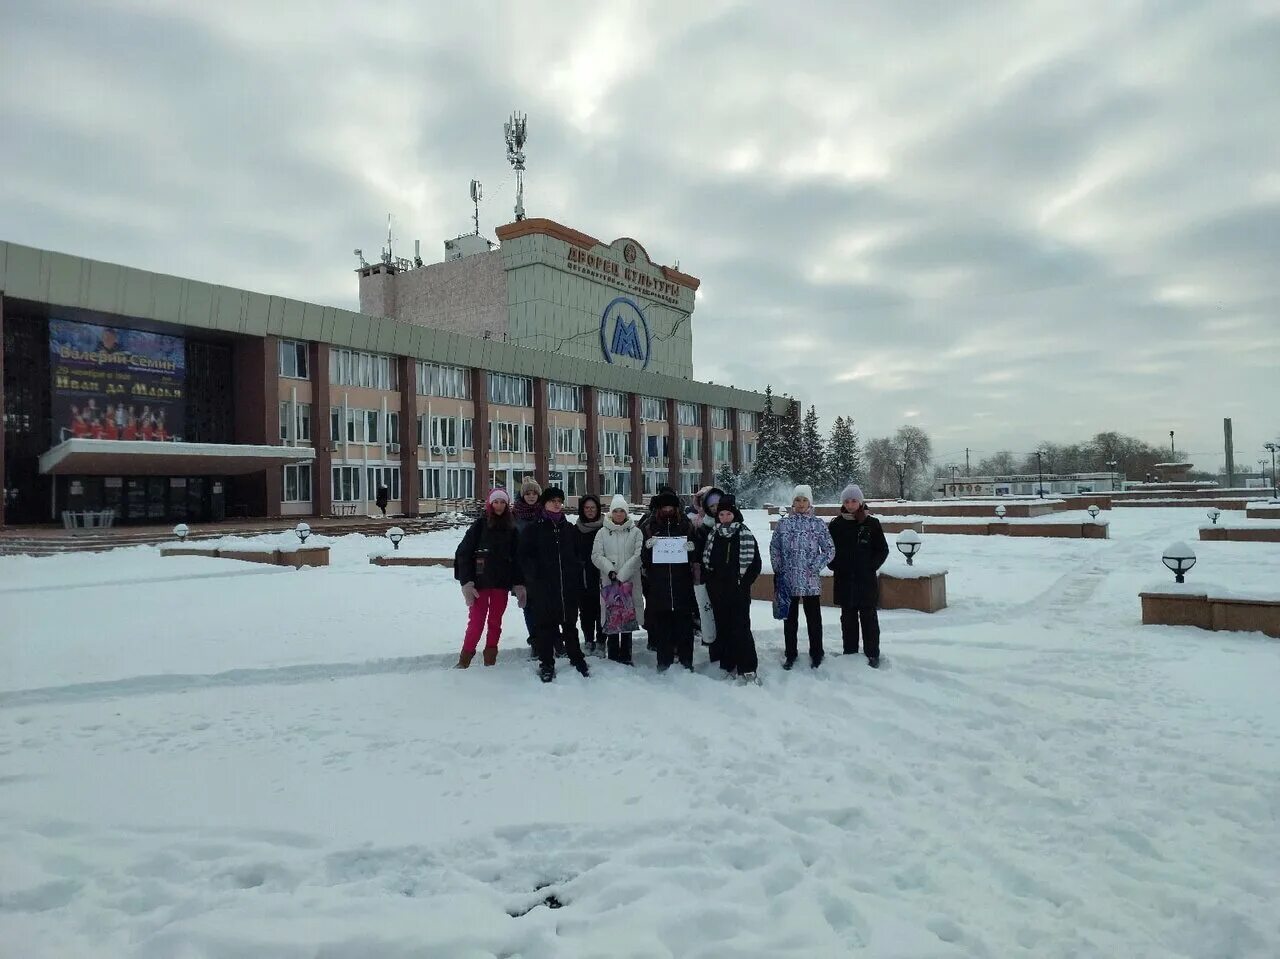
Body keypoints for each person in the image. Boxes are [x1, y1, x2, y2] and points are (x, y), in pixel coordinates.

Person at [518, 486, 590, 682]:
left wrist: (575, 574)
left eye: (559, 501)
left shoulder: (569, 529)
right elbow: (524, 557)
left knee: (570, 625)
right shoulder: (534, 529)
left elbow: (578, 555)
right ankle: (547, 663)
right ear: (545, 503)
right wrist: (534, 578)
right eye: (552, 501)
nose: (557, 504)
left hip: (567, 587)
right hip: (543, 588)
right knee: (545, 628)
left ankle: (577, 658)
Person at [453, 488, 525, 668]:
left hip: (501, 584)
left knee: (495, 622)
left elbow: (518, 559)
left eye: (502, 502)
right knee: (476, 622)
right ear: (490, 504)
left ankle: (490, 660)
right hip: (480, 584)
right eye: (496, 502)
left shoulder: (512, 528)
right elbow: (463, 553)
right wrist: (466, 582)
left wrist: (519, 583)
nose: (499, 506)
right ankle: (464, 661)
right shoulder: (480, 525)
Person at [771, 484, 836, 670]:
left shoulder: (817, 524)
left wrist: (815, 566)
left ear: (810, 502)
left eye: (804, 500)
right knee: (790, 620)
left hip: (810, 581)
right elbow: (774, 547)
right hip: (788, 579)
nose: (800, 504)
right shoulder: (784, 524)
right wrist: (779, 567)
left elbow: (830, 549)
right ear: (793, 502)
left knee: (813, 619)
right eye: (797, 500)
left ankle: (817, 653)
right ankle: (790, 654)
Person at [828, 484, 890, 668]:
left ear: (860, 502)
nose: (850, 504)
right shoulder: (836, 524)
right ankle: (850, 652)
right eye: (847, 501)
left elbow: (882, 549)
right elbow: (829, 549)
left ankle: (872, 654)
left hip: (865, 581)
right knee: (848, 619)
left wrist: (870, 566)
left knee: (869, 618)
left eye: (854, 500)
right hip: (844, 579)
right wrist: (834, 565)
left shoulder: (871, 523)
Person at [701, 493, 762, 682]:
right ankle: (727, 663)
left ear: (734, 514)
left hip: (738, 590)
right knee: (723, 628)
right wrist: (712, 583)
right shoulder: (714, 535)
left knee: (741, 627)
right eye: (721, 515)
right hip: (718, 591)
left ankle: (747, 666)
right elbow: (707, 563)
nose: (724, 518)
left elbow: (755, 564)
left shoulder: (744, 534)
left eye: (728, 514)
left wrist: (743, 583)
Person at [640, 487, 697, 671]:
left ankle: (686, 661)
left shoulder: (686, 525)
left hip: (682, 584)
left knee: (685, 626)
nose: (667, 510)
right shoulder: (650, 526)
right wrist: (648, 548)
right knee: (662, 626)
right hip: (660, 585)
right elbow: (643, 558)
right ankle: (663, 662)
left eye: (670, 507)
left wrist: (691, 549)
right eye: (663, 507)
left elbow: (696, 553)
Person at [592, 494, 645, 664]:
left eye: (622, 510)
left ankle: (626, 655)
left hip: (630, 582)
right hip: (610, 583)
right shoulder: (602, 532)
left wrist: (622, 574)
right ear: (611, 513)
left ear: (626, 512)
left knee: (628, 618)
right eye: (616, 511)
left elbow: (639, 555)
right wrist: (610, 571)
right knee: (613, 617)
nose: (619, 514)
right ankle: (613, 656)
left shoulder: (636, 532)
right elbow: (596, 555)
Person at [690, 486, 725, 658]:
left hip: (729, 583)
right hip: (709, 580)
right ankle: (714, 654)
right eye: (711, 505)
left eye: (718, 504)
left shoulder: (735, 526)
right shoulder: (702, 529)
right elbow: (696, 556)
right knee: (710, 616)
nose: (716, 508)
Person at [512, 477, 543, 656]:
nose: (531, 496)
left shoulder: (544, 513)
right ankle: (535, 642)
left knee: (546, 607)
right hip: (523, 570)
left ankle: (552, 640)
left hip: (544, 570)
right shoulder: (515, 516)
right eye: (528, 493)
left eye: (534, 493)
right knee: (528, 606)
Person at [574, 494, 606, 655]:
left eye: (593, 507)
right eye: (587, 508)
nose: (590, 511)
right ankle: (588, 640)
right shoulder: (576, 529)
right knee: (586, 611)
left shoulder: (606, 528)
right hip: (583, 575)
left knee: (602, 609)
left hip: (602, 574)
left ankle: (601, 640)